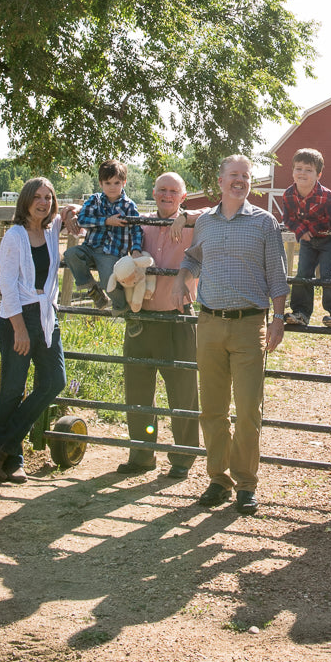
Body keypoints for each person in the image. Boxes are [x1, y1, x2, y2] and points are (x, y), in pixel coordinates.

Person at [172, 154, 288, 516]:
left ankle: (246, 483)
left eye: (245, 176)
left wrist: (279, 317)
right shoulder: (204, 221)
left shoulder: (264, 223)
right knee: (212, 408)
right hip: (208, 324)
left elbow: (277, 274)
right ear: (219, 181)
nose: (240, 181)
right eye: (233, 175)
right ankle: (218, 479)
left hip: (249, 323)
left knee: (249, 408)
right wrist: (181, 279)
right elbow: (193, 257)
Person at [0, 179, 76, 482]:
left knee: (55, 380)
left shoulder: (50, 232)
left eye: (48, 198)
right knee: (12, 388)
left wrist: (72, 212)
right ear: (25, 201)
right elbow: (7, 286)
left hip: (47, 317)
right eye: (37, 197)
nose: (43, 203)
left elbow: (77, 214)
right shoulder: (14, 236)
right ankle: (12, 459)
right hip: (17, 318)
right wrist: (19, 327)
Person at [112, 172, 200, 481]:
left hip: (177, 316)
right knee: (138, 388)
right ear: (153, 191)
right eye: (162, 189)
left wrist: (188, 216)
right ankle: (142, 453)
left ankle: (183, 457)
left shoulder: (193, 224)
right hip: (141, 316)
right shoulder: (140, 222)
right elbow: (102, 212)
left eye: (173, 191)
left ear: (183, 196)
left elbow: (216, 213)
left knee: (183, 389)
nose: (166, 195)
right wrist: (70, 211)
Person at [281, 147, 331, 329]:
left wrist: (312, 229)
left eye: (308, 170)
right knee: (303, 273)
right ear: (293, 171)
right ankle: (301, 312)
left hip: (329, 239)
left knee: (328, 273)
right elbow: (288, 219)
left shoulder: (327, 197)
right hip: (307, 240)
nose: (302, 173)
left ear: (318, 174)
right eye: (298, 168)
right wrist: (302, 231)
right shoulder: (288, 195)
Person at [64, 159, 144, 310]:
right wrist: (106, 221)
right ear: (101, 183)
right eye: (108, 183)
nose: (112, 187)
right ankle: (92, 288)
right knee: (70, 254)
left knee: (109, 280)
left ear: (124, 183)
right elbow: (82, 219)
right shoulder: (95, 200)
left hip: (112, 252)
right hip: (90, 247)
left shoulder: (128, 205)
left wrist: (136, 250)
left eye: (116, 183)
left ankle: (122, 308)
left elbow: (136, 229)